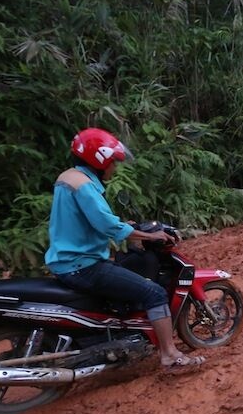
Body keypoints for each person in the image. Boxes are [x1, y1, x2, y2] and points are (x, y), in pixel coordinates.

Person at [44, 128, 205, 370]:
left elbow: (88, 220)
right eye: (113, 163)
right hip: (83, 265)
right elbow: (106, 224)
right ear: (100, 161)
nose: (115, 168)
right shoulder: (85, 186)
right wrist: (146, 234)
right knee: (154, 293)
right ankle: (170, 355)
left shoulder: (69, 178)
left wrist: (126, 227)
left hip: (67, 261)